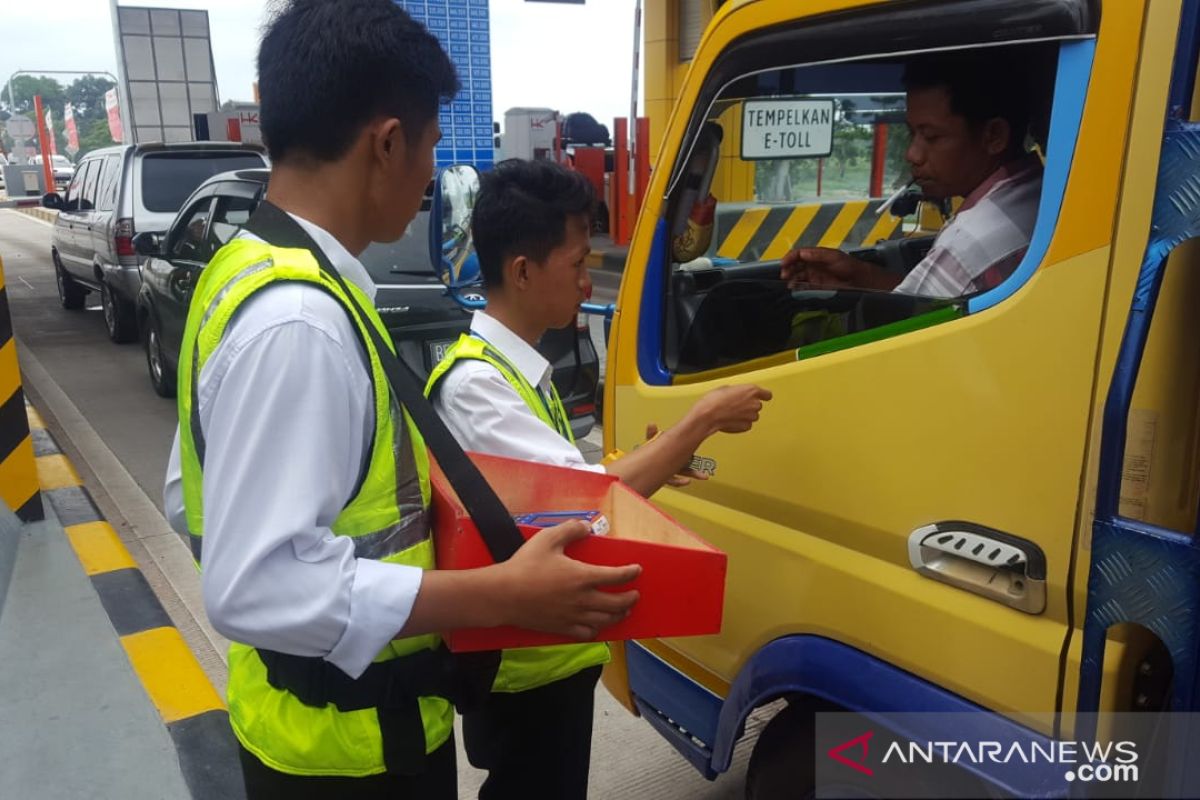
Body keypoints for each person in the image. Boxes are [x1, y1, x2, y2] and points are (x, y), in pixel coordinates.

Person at [161, 2, 641, 797]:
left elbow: (191, 500)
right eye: (429, 148)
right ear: (387, 143)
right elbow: (255, 585)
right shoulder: (301, 320)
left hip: (305, 722)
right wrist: (499, 593)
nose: (430, 176)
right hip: (350, 753)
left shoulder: (249, 270)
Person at [426, 158, 771, 800]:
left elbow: (568, 486)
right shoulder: (478, 386)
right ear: (523, 271)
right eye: (579, 262)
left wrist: (660, 460)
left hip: (552, 652)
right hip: (526, 668)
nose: (590, 281)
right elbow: (591, 499)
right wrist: (698, 423)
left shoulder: (512, 370)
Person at [781, 50, 1044, 297]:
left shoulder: (967, 246)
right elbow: (929, 303)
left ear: (994, 136)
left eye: (931, 137)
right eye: (911, 133)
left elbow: (904, 333)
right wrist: (861, 276)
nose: (912, 154)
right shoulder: (1042, 194)